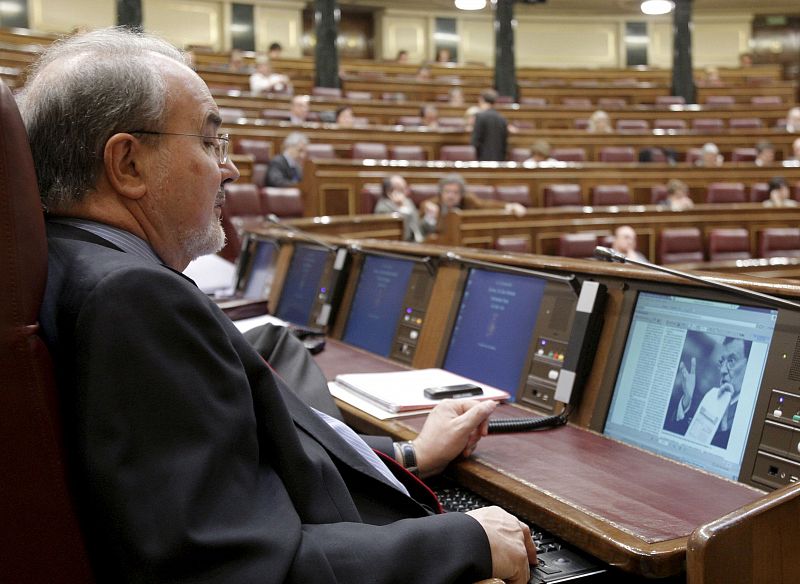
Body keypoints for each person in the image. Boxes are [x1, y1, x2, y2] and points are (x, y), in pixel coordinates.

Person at [19, 27, 536, 584]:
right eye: (210, 141)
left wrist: (409, 457)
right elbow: (234, 568)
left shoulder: (73, 259)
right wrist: (466, 540)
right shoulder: (134, 298)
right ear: (128, 165)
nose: (231, 168)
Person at [664, 337, 751, 449]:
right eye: (722, 362)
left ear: (750, 365)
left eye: (731, 361)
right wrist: (687, 399)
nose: (722, 370)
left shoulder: (747, 417)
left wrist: (723, 425)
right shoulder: (710, 397)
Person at [420, 173, 526, 234]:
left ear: (461, 194)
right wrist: (430, 214)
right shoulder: (433, 204)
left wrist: (509, 206)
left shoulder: (468, 200)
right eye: (447, 192)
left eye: (455, 192)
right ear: (441, 193)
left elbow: (485, 205)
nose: (451, 196)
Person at [373, 175, 428, 242]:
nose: (405, 191)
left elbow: (417, 225)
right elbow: (402, 235)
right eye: (400, 188)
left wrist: (429, 217)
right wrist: (402, 209)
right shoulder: (382, 208)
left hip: (421, 243)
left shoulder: (408, 202)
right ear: (389, 191)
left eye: (405, 188)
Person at [471, 89, 508, 162]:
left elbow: (475, 141)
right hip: (499, 159)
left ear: (481, 99)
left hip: (483, 159)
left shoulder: (479, 117)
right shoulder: (502, 118)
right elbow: (505, 142)